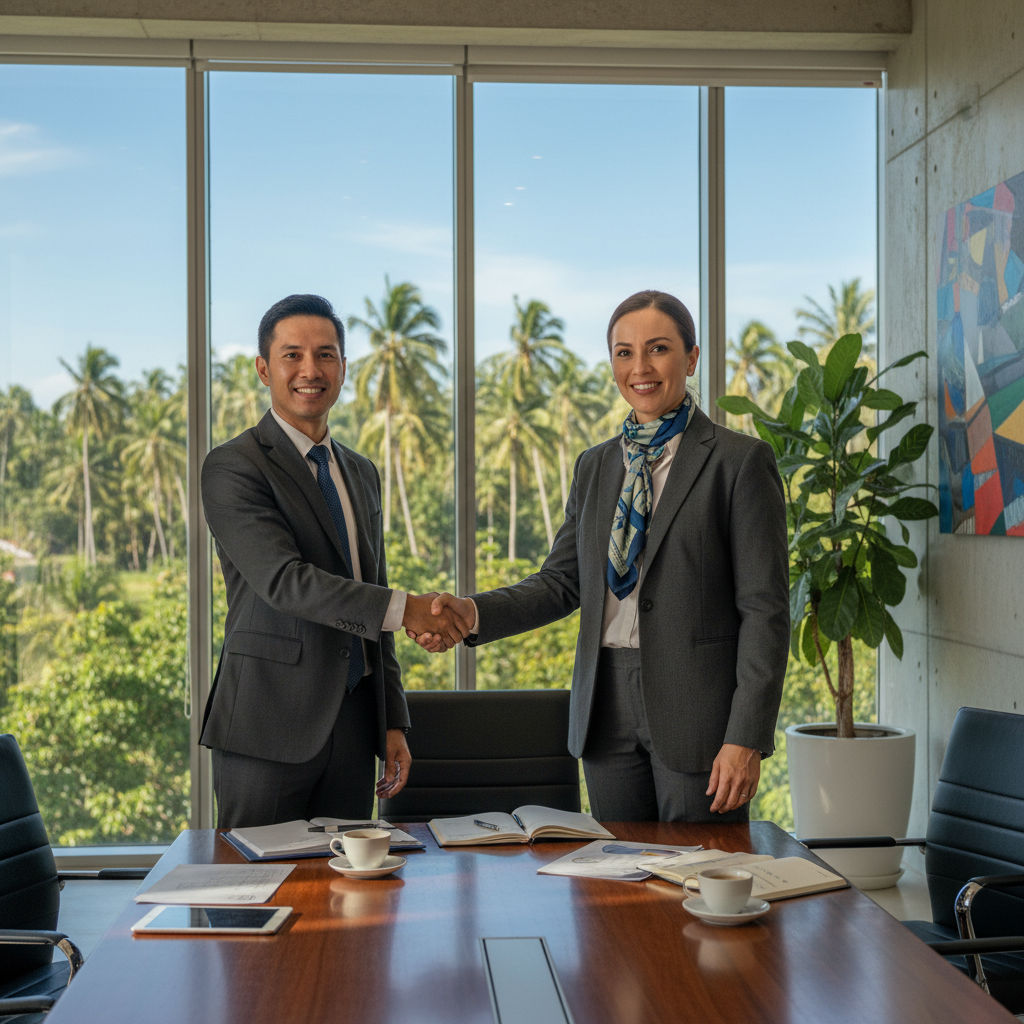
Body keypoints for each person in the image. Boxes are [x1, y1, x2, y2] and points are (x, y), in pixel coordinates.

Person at [416, 290, 789, 822]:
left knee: (700, 866)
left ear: (691, 358)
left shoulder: (739, 462)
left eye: (658, 349)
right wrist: (472, 613)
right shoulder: (595, 466)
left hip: (699, 714)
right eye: (624, 352)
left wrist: (746, 736)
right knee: (618, 868)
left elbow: (765, 611)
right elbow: (561, 583)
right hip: (603, 708)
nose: (640, 368)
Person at [201, 293, 471, 828]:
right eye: (292, 355)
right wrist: (410, 608)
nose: (310, 370)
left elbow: (374, 591)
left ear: (343, 368)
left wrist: (391, 720)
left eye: (325, 355)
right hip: (266, 725)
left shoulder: (361, 471)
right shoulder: (233, 466)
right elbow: (286, 582)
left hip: (352, 726)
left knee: (348, 878)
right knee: (257, 874)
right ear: (263, 369)